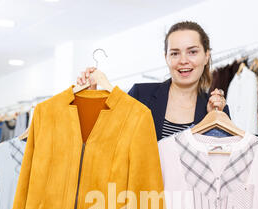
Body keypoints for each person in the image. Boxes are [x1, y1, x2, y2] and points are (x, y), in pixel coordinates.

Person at [76, 21, 229, 141]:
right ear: (166, 57)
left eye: (192, 52)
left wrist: (213, 119)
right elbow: (102, 137)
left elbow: (222, 164)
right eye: (175, 53)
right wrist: (90, 99)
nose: (183, 60)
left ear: (206, 55)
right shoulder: (141, 95)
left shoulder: (217, 108)